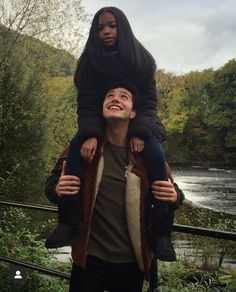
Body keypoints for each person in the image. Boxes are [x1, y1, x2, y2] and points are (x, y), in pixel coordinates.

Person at [45, 6, 174, 261]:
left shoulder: (142, 60)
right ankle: (68, 221)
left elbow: (149, 103)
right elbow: (87, 102)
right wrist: (91, 133)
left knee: (156, 156)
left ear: (122, 27)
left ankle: (160, 233)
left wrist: (139, 131)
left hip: (140, 122)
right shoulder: (89, 62)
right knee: (76, 151)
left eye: (111, 25)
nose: (105, 31)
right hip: (98, 122)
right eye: (100, 27)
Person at [44, 86, 185, 292]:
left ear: (133, 112)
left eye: (124, 97)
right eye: (109, 95)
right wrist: (56, 189)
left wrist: (174, 197)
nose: (115, 99)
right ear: (101, 108)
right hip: (88, 259)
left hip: (132, 261)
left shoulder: (147, 155)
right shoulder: (84, 148)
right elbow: (50, 185)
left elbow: (176, 194)